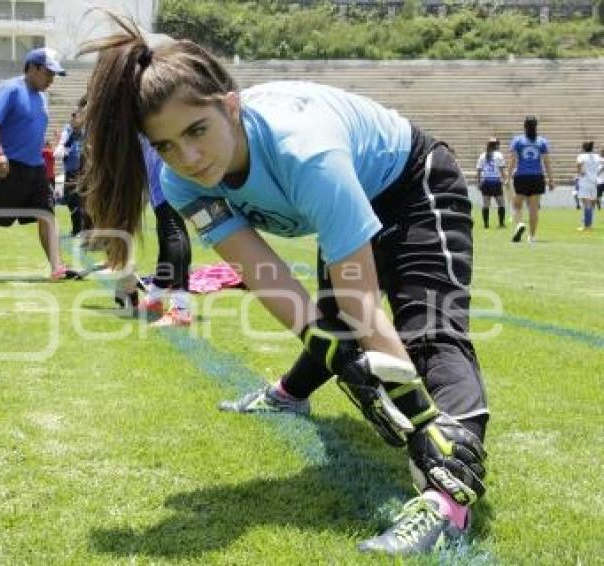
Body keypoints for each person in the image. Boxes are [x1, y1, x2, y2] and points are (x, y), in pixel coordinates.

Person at [79, 14, 488, 556]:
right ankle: (290, 394)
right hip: (351, 191)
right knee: (334, 328)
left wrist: (420, 416)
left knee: (430, 330)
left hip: (413, 184)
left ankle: (447, 494)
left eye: (197, 131)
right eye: (168, 146)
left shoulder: (305, 153)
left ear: (229, 105)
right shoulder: (183, 183)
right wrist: (349, 368)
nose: (190, 158)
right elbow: (270, 279)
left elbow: (363, 308)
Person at [0, 48, 73, 279]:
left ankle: (57, 268)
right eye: (48, 73)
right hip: (7, 166)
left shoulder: (42, 97)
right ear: (32, 68)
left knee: (47, 216)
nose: (52, 79)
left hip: (35, 168)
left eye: (54, 75)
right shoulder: (10, 89)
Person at [115, 138, 193, 327]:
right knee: (167, 233)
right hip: (160, 172)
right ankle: (155, 298)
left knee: (173, 232)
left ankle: (181, 309)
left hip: (166, 173)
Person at [507, 116, 554, 244]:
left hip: (521, 176)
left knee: (517, 205)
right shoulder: (542, 142)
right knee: (533, 208)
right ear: (536, 126)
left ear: (524, 126)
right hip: (537, 176)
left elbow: (512, 160)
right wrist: (551, 179)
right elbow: (547, 162)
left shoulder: (518, 140)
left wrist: (507, 177)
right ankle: (532, 237)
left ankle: (520, 224)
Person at [55, 106, 87, 236]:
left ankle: (82, 229)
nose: (74, 119)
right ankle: (77, 228)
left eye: (77, 116)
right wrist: (64, 146)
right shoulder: (67, 131)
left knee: (82, 200)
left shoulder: (86, 133)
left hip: (84, 171)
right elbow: (58, 152)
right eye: (73, 117)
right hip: (71, 172)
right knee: (71, 201)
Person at [475, 137, 507, 229]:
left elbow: (479, 170)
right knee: (501, 203)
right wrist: (505, 180)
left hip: (485, 182)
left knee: (486, 204)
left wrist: (478, 182)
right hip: (496, 182)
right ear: (496, 145)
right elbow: (501, 170)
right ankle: (501, 224)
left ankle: (486, 224)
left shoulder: (482, 155)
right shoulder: (499, 155)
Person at [575, 141, 602, 231]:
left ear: (583, 148)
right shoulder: (597, 156)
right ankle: (589, 224)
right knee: (592, 202)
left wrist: (580, 172)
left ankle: (586, 226)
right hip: (594, 181)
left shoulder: (582, 156)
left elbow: (578, 164)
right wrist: (596, 173)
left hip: (585, 181)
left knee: (586, 203)